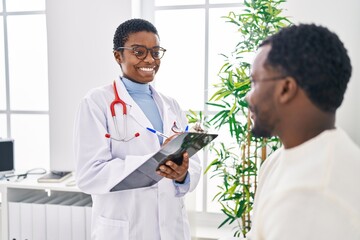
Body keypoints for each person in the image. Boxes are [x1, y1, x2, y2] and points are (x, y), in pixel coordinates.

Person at [73, 18, 201, 240]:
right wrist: (151, 162)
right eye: (139, 52)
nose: (150, 59)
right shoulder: (96, 102)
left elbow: (193, 165)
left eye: (155, 51)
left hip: (172, 229)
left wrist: (182, 175)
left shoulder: (171, 105)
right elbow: (89, 174)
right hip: (125, 230)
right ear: (118, 56)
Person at [245, 23, 360, 240]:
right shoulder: (277, 162)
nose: (248, 97)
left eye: (254, 82)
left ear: (286, 89)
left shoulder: (308, 196)